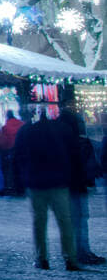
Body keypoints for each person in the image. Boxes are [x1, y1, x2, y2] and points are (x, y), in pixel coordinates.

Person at [13, 109, 83, 271]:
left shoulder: (26, 131)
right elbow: (74, 154)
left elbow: (17, 157)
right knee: (65, 222)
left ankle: (42, 258)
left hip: (36, 183)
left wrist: (21, 181)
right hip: (59, 182)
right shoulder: (61, 129)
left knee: (39, 222)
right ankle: (70, 258)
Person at [60, 108, 105, 266]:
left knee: (74, 220)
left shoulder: (60, 142)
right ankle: (81, 251)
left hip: (65, 186)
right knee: (79, 219)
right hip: (77, 185)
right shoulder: (80, 143)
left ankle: (76, 251)